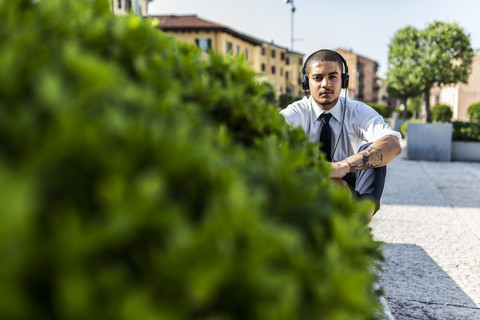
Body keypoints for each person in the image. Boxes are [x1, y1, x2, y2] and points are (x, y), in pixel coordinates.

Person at [280, 49, 402, 217]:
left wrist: (342, 166)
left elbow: (393, 144)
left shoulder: (357, 111)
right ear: (306, 82)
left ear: (343, 80)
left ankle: (357, 227)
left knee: (373, 153)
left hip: (350, 191)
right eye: (317, 78)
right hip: (305, 188)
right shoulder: (294, 114)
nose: (326, 84)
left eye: (333, 77)